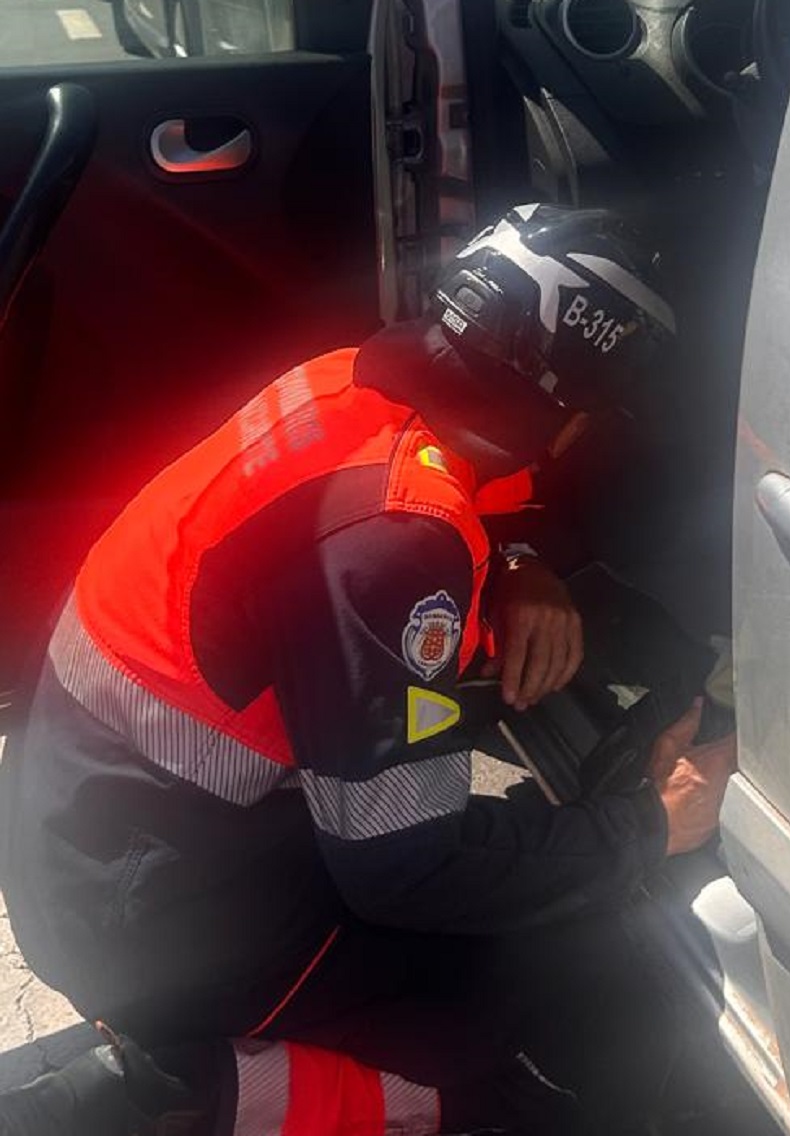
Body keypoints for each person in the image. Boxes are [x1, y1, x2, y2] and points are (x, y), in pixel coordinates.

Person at [0, 204, 737, 1136]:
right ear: (568, 407)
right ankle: (170, 1096)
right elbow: (408, 871)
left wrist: (513, 563)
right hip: (152, 926)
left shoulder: (346, 385)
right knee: (518, 1014)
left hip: (88, 842)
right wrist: (644, 826)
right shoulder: (394, 546)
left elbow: (423, 489)